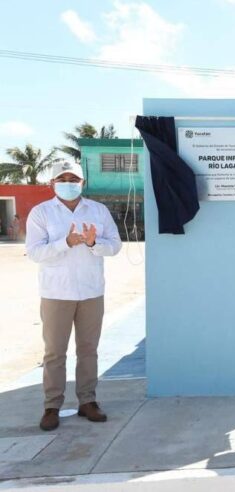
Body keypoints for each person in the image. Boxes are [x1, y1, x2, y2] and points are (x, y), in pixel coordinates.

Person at [25, 161, 122, 431]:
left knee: (88, 350)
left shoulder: (98, 211)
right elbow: (34, 252)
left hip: (91, 291)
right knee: (54, 352)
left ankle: (87, 401)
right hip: (56, 292)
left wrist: (93, 243)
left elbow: (114, 246)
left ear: (83, 183)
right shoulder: (41, 213)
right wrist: (64, 243)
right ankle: (52, 406)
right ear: (53, 183)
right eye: (62, 178)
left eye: (73, 179)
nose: (68, 183)